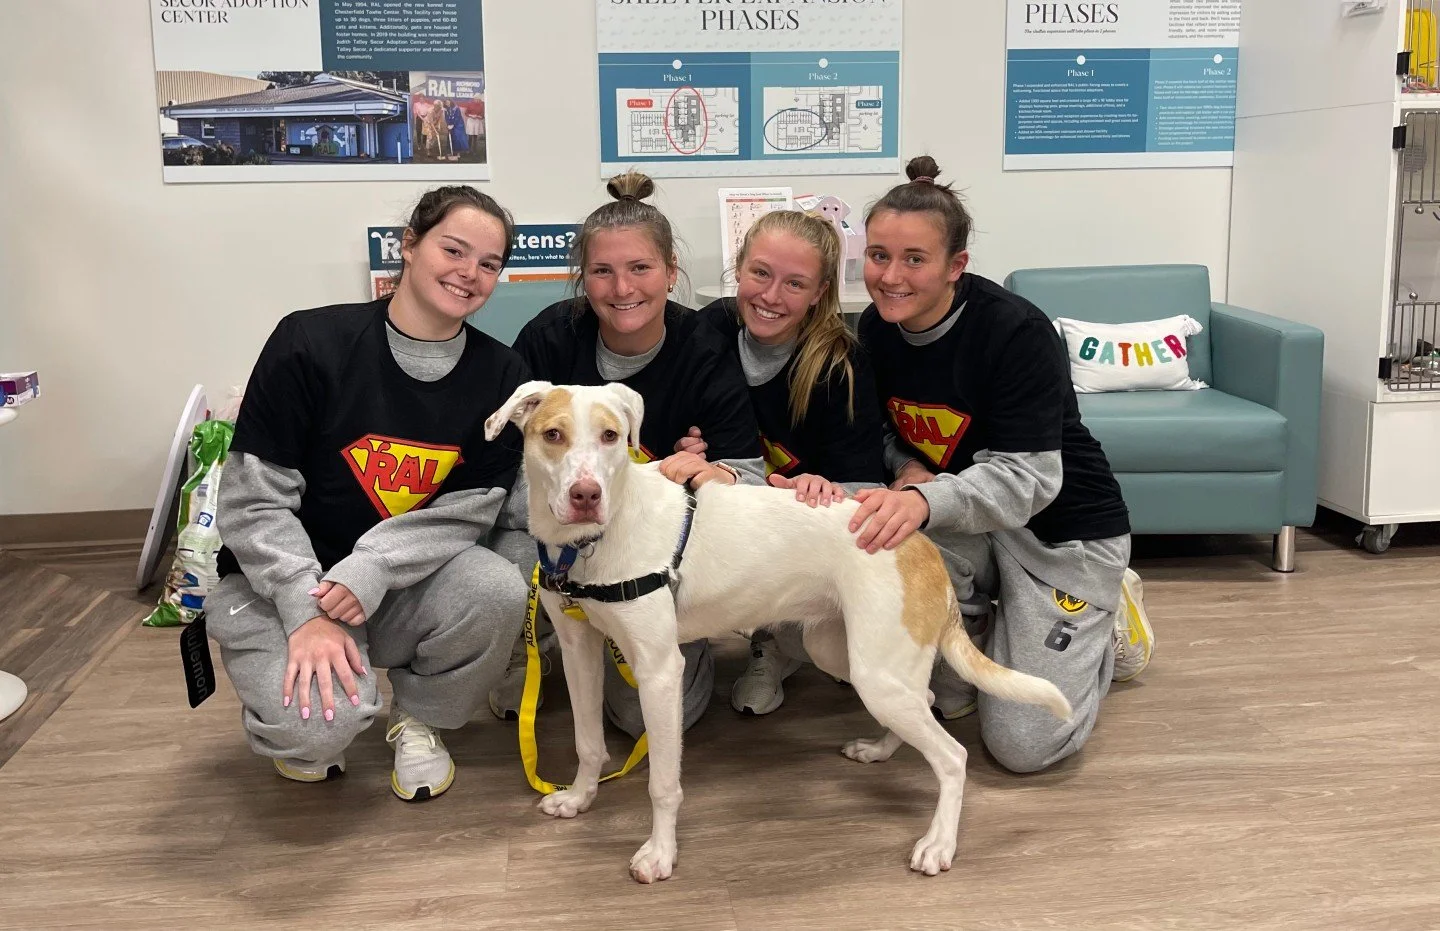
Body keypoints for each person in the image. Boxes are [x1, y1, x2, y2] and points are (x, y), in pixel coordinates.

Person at [206, 186, 532, 800]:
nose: (469, 274)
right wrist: (306, 609)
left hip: (394, 585)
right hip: (280, 587)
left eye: (489, 264)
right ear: (408, 246)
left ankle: (421, 718)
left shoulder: (501, 373)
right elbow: (253, 502)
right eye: (453, 249)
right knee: (316, 732)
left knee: (495, 585)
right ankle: (301, 714)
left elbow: (472, 507)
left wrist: (374, 566)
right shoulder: (308, 342)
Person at [848, 156, 1154, 773]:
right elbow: (882, 431)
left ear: (956, 266)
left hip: (1062, 534)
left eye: (915, 259)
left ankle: (1109, 612)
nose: (891, 276)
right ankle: (995, 623)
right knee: (939, 683)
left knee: (1023, 746)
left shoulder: (1017, 332)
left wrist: (924, 500)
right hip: (970, 526)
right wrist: (907, 468)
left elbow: (1029, 479)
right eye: (879, 255)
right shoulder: (876, 331)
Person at [489, 171, 766, 738]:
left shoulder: (706, 349)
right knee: (515, 551)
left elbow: (749, 475)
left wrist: (710, 473)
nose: (622, 289)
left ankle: (675, 637)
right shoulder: (548, 339)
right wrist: (566, 513)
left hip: (654, 543)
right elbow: (502, 467)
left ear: (671, 271)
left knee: (647, 717)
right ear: (581, 279)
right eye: (602, 271)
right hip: (560, 529)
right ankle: (535, 647)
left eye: (640, 268)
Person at [691, 209, 886, 714]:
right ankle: (754, 640)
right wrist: (685, 447)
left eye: (795, 283)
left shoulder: (841, 365)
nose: (771, 297)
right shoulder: (707, 330)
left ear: (820, 292)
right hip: (732, 514)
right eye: (760, 273)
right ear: (739, 267)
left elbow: (864, 482)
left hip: (798, 524)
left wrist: (833, 486)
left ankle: (780, 644)